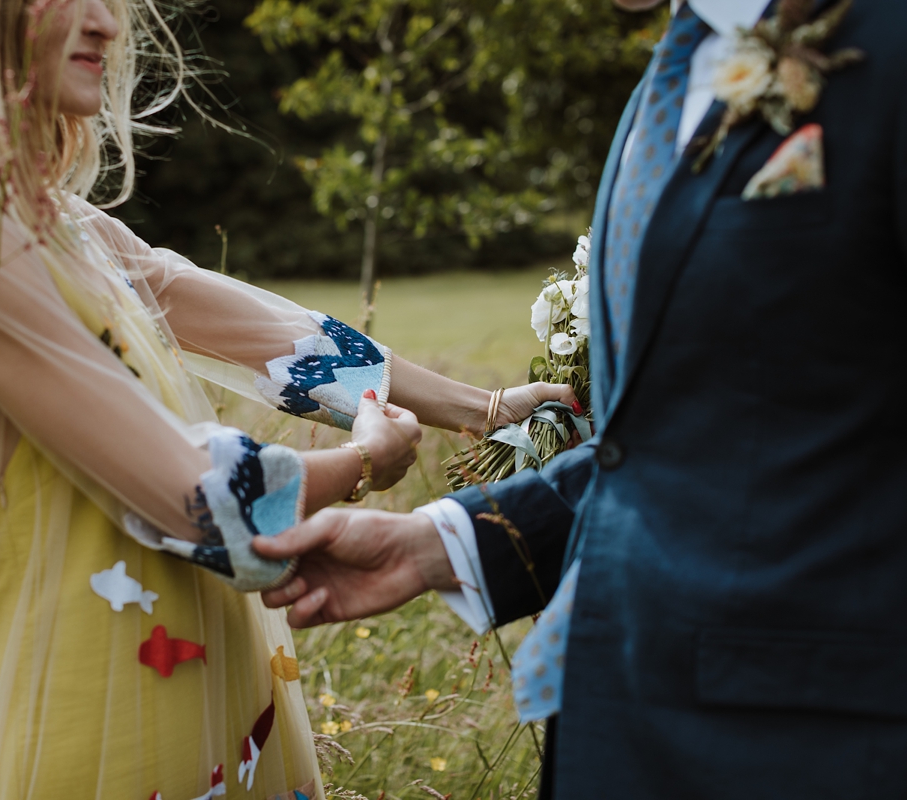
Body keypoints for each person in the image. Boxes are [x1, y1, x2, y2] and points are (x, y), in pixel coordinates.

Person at [0, 0, 573, 798]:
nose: (108, 26)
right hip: (88, 721)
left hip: (194, 690)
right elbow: (199, 498)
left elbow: (269, 331)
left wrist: (483, 408)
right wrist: (364, 460)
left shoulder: (60, 223)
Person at [255, 0, 907, 797]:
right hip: (619, 722)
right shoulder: (676, 71)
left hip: (819, 741)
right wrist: (442, 544)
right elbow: (681, 443)